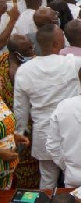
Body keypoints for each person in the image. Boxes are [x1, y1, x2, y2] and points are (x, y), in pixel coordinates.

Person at [14, 13, 81, 188]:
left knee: (47, 181)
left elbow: (20, 109)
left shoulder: (24, 70)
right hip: (72, 132)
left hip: (43, 134)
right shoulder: (69, 63)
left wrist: (21, 131)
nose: (64, 38)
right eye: (62, 36)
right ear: (56, 43)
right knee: (78, 183)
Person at [1, 35, 39, 189]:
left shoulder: (7, 60)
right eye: (28, 49)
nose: (33, 51)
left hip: (18, 135)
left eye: (32, 47)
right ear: (16, 54)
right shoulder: (9, 69)